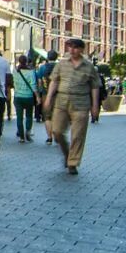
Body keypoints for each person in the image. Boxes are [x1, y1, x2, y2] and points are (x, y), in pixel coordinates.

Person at [43, 38, 99, 175]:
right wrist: (48, 98)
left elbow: (95, 87)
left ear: (81, 49)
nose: (72, 50)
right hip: (61, 102)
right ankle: (67, 153)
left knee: (78, 135)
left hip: (81, 103)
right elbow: (54, 81)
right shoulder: (61, 64)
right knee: (56, 131)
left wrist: (95, 106)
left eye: (75, 48)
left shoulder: (89, 66)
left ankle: (73, 163)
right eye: (70, 47)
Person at [11, 55, 39, 142]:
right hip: (28, 97)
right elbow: (33, 85)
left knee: (19, 117)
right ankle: (28, 131)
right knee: (29, 116)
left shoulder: (15, 71)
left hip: (18, 96)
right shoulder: (31, 72)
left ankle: (21, 137)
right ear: (27, 61)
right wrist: (37, 96)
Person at [35, 50, 58, 143]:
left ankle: (49, 137)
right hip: (58, 95)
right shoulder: (60, 67)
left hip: (46, 94)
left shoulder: (42, 68)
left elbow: (39, 82)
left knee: (47, 117)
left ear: (47, 57)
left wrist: (40, 93)